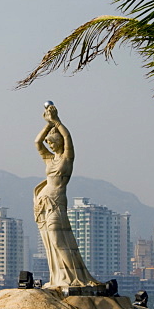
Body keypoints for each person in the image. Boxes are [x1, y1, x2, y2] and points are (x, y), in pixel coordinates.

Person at [33, 103, 99, 288]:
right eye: (49, 143)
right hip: (42, 205)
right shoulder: (49, 158)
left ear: (60, 141)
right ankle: (59, 278)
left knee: (58, 239)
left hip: (56, 203)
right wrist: (47, 124)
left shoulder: (67, 158)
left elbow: (68, 137)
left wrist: (57, 121)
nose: (50, 144)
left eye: (53, 141)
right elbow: (37, 142)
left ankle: (76, 279)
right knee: (50, 243)